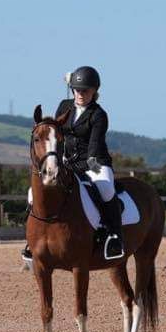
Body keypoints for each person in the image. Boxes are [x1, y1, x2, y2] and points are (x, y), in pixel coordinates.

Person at [22, 65, 124, 262]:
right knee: (32, 192)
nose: (80, 94)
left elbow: (93, 152)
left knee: (106, 189)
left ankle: (114, 237)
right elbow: (55, 132)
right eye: (76, 90)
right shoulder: (64, 105)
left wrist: (70, 166)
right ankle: (32, 240)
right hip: (65, 162)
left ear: (94, 91)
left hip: (95, 163)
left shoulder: (98, 115)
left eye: (85, 90)